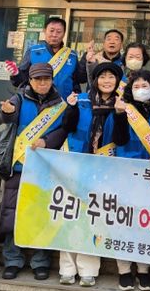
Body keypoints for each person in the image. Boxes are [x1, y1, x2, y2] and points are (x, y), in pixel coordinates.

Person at [0, 62, 74, 281]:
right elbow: (9, 115)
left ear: (52, 81)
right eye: (37, 79)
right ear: (29, 81)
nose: (42, 83)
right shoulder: (20, 98)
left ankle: (40, 261)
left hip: (47, 168)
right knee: (13, 213)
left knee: (43, 215)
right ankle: (12, 260)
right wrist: (7, 112)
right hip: (20, 166)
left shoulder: (60, 104)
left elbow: (64, 130)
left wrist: (47, 141)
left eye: (46, 79)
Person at [57, 61, 123, 286]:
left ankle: (88, 270)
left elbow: (122, 139)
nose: (107, 81)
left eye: (111, 77)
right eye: (102, 77)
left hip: (104, 171)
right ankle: (67, 268)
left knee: (95, 219)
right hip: (76, 166)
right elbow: (67, 127)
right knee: (70, 216)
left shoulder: (121, 104)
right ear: (95, 80)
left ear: (117, 81)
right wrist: (70, 108)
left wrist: (121, 115)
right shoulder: (82, 100)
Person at [112, 70, 150, 291]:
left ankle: (144, 270)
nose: (141, 89)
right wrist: (119, 115)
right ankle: (124, 270)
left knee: (148, 221)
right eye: (136, 86)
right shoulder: (123, 109)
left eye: (145, 85)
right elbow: (119, 139)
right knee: (123, 221)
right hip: (126, 172)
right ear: (129, 89)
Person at [5, 17, 82, 98]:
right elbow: (22, 80)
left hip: (65, 103)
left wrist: (76, 98)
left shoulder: (71, 55)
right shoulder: (33, 51)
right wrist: (16, 73)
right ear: (45, 31)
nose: (54, 35)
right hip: (37, 103)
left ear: (64, 33)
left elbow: (76, 81)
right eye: (51, 31)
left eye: (59, 32)